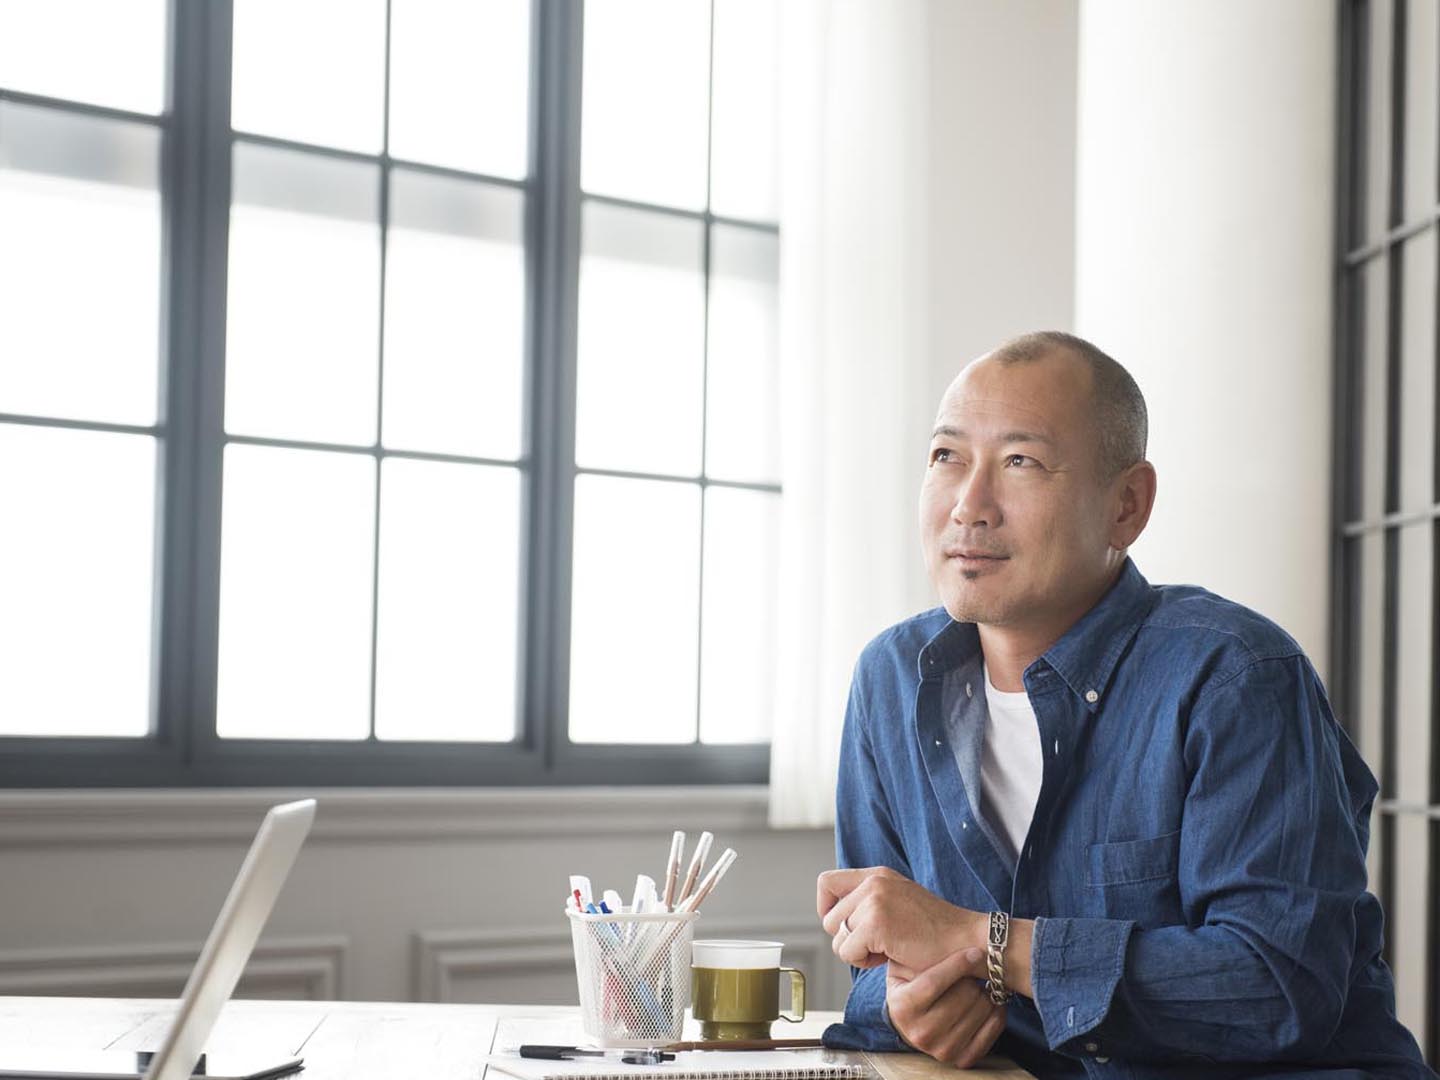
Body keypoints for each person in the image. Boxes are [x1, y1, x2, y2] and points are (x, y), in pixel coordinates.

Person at [816, 332, 1433, 1079]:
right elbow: (880, 957)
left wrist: (989, 944)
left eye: (1020, 463)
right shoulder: (892, 679)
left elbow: (1279, 985)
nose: (969, 507)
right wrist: (903, 1002)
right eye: (947, 457)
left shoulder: (1235, 675)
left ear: (1126, 507)